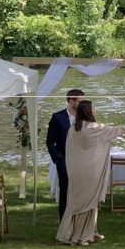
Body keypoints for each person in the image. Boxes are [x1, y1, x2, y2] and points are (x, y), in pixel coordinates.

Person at [56, 101, 125, 246]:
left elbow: (70, 152)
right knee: (89, 202)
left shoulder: (73, 129)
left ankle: (75, 232)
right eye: (93, 108)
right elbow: (120, 129)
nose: (96, 109)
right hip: (92, 171)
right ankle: (81, 235)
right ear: (88, 111)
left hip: (77, 171)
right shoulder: (96, 128)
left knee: (76, 201)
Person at [47, 89, 84, 220]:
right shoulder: (57, 117)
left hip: (81, 160)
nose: (83, 103)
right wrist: (57, 159)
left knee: (81, 190)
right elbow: (50, 141)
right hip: (64, 160)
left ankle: (80, 219)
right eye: (81, 101)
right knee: (65, 189)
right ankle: (64, 220)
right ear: (71, 101)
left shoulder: (84, 117)